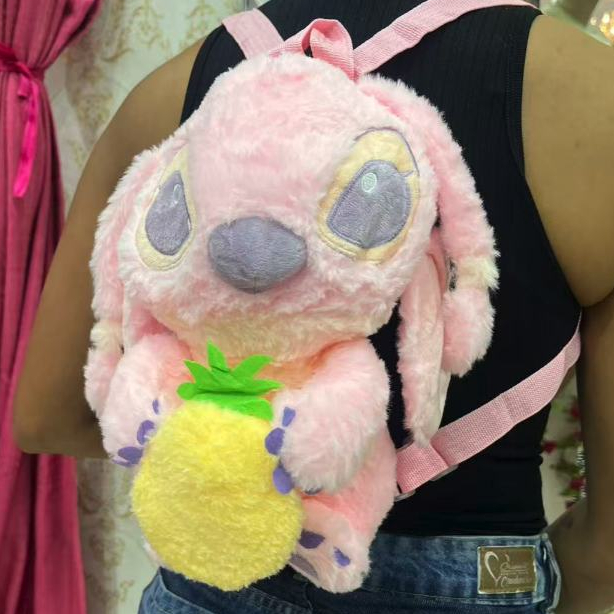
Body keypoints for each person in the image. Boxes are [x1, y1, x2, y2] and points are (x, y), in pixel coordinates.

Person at [12, 0, 614, 613]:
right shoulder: (588, 95)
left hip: (214, 573)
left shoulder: (181, 87)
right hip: (477, 580)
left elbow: (45, 416)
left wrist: (225, 447)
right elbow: (607, 554)